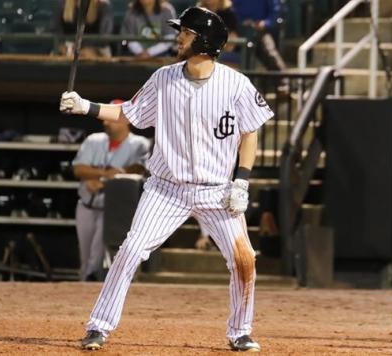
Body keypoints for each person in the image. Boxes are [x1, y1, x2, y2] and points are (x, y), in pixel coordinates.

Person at [60, 6, 274, 351]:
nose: (179, 37)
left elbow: (250, 133)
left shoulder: (236, 84)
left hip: (216, 191)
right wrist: (86, 106)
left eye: (186, 32)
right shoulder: (164, 78)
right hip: (166, 189)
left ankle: (240, 331)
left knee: (243, 258)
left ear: (204, 41)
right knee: (130, 250)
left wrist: (242, 181)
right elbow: (130, 113)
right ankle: (98, 326)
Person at [72, 102, 150, 281]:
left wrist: (110, 178)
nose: (106, 122)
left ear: (125, 120)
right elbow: (79, 169)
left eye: (111, 119)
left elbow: (139, 168)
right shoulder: (94, 140)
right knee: (85, 258)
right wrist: (102, 175)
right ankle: (83, 287)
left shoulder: (140, 144)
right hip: (87, 204)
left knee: (97, 258)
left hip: (114, 210)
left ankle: (94, 289)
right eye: (105, 120)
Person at [231, 0, 287, 73]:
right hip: (237, 31)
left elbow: (275, 12)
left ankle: (283, 81)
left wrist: (265, 23)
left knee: (269, 52)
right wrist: (240, 22)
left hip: (260, 31)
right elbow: (231, 9)